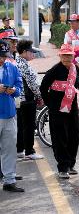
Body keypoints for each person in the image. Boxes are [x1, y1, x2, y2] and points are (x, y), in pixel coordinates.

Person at [40, 44, 79, 179]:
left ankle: (71, 164)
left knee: (74, 134)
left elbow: (77, 86)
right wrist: (50, 104)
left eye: (69, 55)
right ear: (60, 56)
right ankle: (62, 167)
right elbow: (43, 87)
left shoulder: (75, 69)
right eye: (64, 55)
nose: (66, 58)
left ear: (73, 56)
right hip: (57, 109)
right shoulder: (54, 70)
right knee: (60, 137)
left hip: (72, 108)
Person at [0, 40, 24, 192]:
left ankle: (9, 180)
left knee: (9, 149)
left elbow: (19, 86)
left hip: (9, 114)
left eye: (4, 55)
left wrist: (13, 90)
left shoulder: (12, 67)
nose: (2, 59)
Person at [15, 40, 44, 160]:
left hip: (18, 99)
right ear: (24, 52)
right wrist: (40, 96)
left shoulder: (15, 61)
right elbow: (33, 85)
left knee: (21, 126)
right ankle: (29, 151)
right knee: (29, 125)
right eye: (31, 52)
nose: (33, 54)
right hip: (27, 99)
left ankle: (20, 150)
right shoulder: (25, 65)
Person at [64, 14, 79, 113]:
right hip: (73, 62)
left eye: (74, 21)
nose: (72, 24)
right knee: (73, 84)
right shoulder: (68, 34)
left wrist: (73, 44)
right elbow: (66, 46)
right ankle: (76, 106)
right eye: (71, 22)